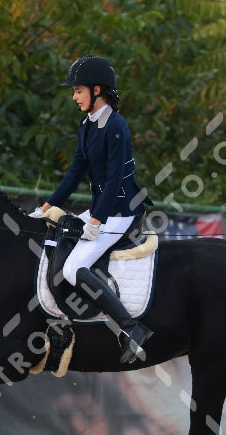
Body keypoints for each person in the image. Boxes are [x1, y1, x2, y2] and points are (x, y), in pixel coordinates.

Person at [31, 55, 153, 364]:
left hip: (121, 211)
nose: (74, 97)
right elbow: (74, 173)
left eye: (78, 91)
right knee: (51, 235)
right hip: (102, 208)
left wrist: (96, 221)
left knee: (73, 269)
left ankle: (132, 328)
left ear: (97, 90)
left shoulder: (116, 127)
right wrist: (45, 207)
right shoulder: (87, 125)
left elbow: (113, 181)